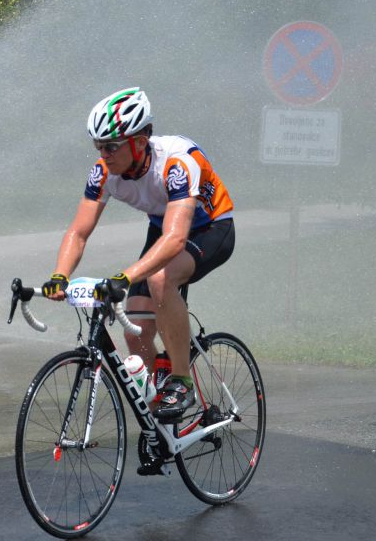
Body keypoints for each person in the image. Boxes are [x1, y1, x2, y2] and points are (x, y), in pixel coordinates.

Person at [41, 87, 235, 418]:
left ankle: (181, 381)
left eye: (111, 145)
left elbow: (175, 239)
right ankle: (159, 420)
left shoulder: (177, 162)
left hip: (211, 228)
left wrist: (125, 276)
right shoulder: (104, 173)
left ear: (140, 142)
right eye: (98, 145)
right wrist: (60, 275)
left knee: (161, 279)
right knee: (135, 329)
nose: (104, 153)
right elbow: (79, 231)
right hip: (164, 226)